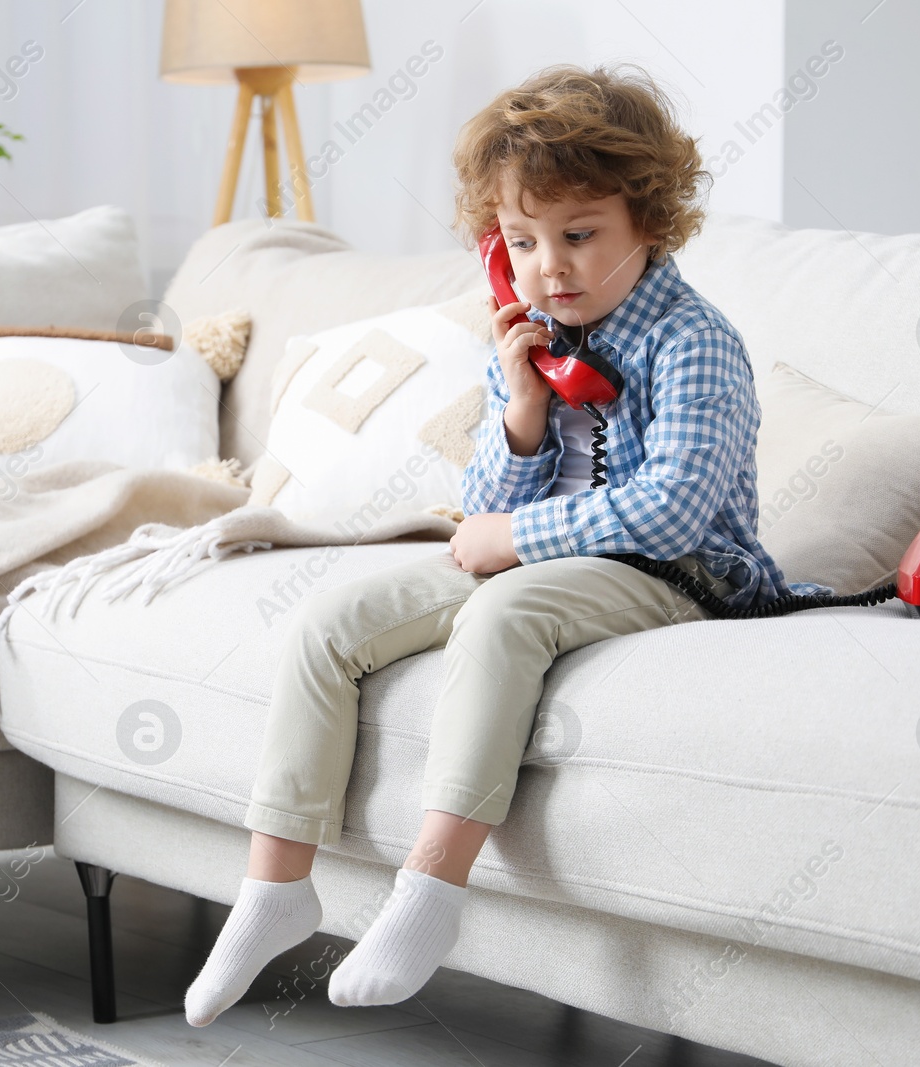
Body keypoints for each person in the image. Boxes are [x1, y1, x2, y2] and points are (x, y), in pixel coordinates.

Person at [184, 61, 811, 1026]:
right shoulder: (530, 336)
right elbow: (479, 505)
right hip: (547, 556)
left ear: (650, 221)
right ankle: (274, 890)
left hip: (678, 574)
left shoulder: (693, 341)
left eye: (579, 235)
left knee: (505, 612)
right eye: (521, 241)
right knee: (330, 621)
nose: (549, 265)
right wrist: (521, 415)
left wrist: (516, 534)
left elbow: (673, 511)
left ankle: (431, 891)